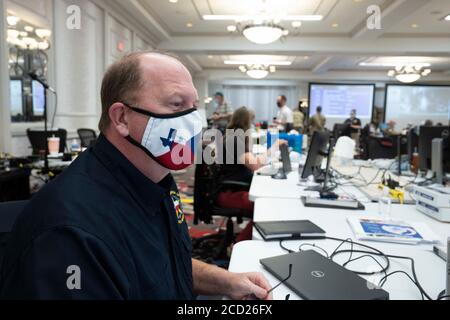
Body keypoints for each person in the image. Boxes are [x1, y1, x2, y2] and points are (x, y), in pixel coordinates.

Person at [0, 52, 272, 300]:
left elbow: (165, 264)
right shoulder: (72, 236)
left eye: (194, 106)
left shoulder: (156, 178)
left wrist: (228, 282)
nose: (193, 121)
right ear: (122, 118)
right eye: (177, 104)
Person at [217, 107, 286, 242]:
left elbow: (252, 162)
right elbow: (256, 166)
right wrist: (274, 147)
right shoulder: (235, 140)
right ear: (246, 122)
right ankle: (239, 245)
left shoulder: (233, 136)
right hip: (229, 193)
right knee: (266, 207)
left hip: (233, 188)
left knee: (267, 202)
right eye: (251, 122)